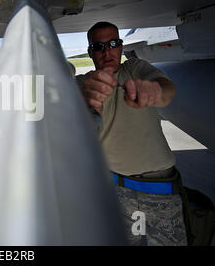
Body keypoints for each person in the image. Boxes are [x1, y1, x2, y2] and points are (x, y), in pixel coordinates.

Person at [76, 21, 187, 245]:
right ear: (90, 52)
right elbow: (52, 99)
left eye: (113, 43)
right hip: (115, 192)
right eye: (99, 47)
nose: (107, 51)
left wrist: (156, 92)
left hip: (159, 190)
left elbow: (167, 90)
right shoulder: (84, 83)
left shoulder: (135, 69)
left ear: (121, 47)